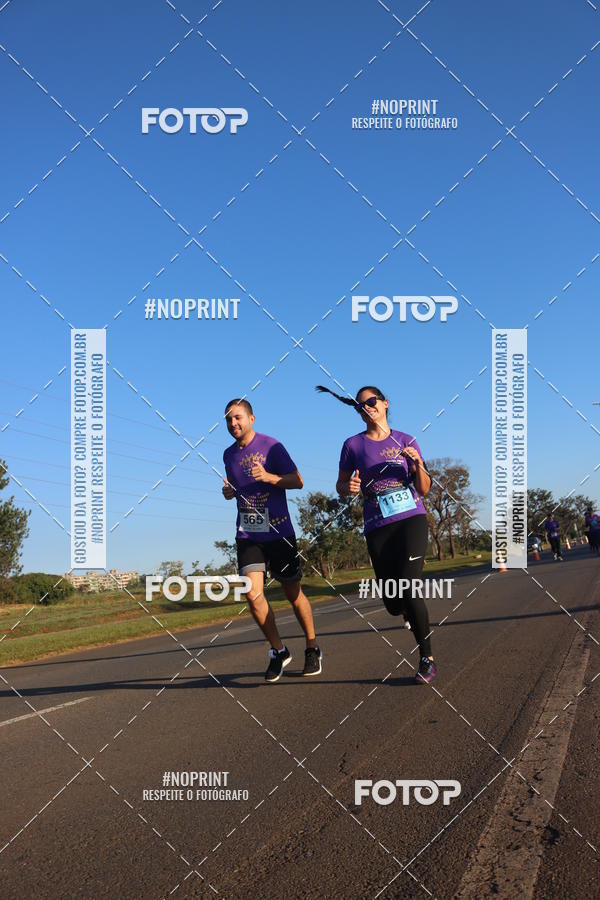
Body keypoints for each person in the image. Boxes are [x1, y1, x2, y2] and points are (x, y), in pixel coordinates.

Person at [317, 384, 436, 684]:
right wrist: (349, 488)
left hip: (411, 519)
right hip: (376, 525)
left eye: (371, 401)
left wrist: (417, 464)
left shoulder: (406, 439)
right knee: (393, 602)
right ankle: (404, 610)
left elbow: (423, 488)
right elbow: (341, 485)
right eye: (359, 405)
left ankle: (427, 657)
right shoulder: (353, 445)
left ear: (384, 404)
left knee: (408, 586)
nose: (365, 407)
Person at [222, 398, 322, 682]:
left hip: (279, 531)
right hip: (248, 533)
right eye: (228, 420)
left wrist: (269, 476)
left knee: (292, 593)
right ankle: (278, 650)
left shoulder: (271, 445)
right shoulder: (228, 455)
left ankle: (312, 646)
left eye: (238, 417)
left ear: (252, 418)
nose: (233, 424)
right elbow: (240, 489)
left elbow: (298, 481)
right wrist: (231, 493)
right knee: (252, 595)